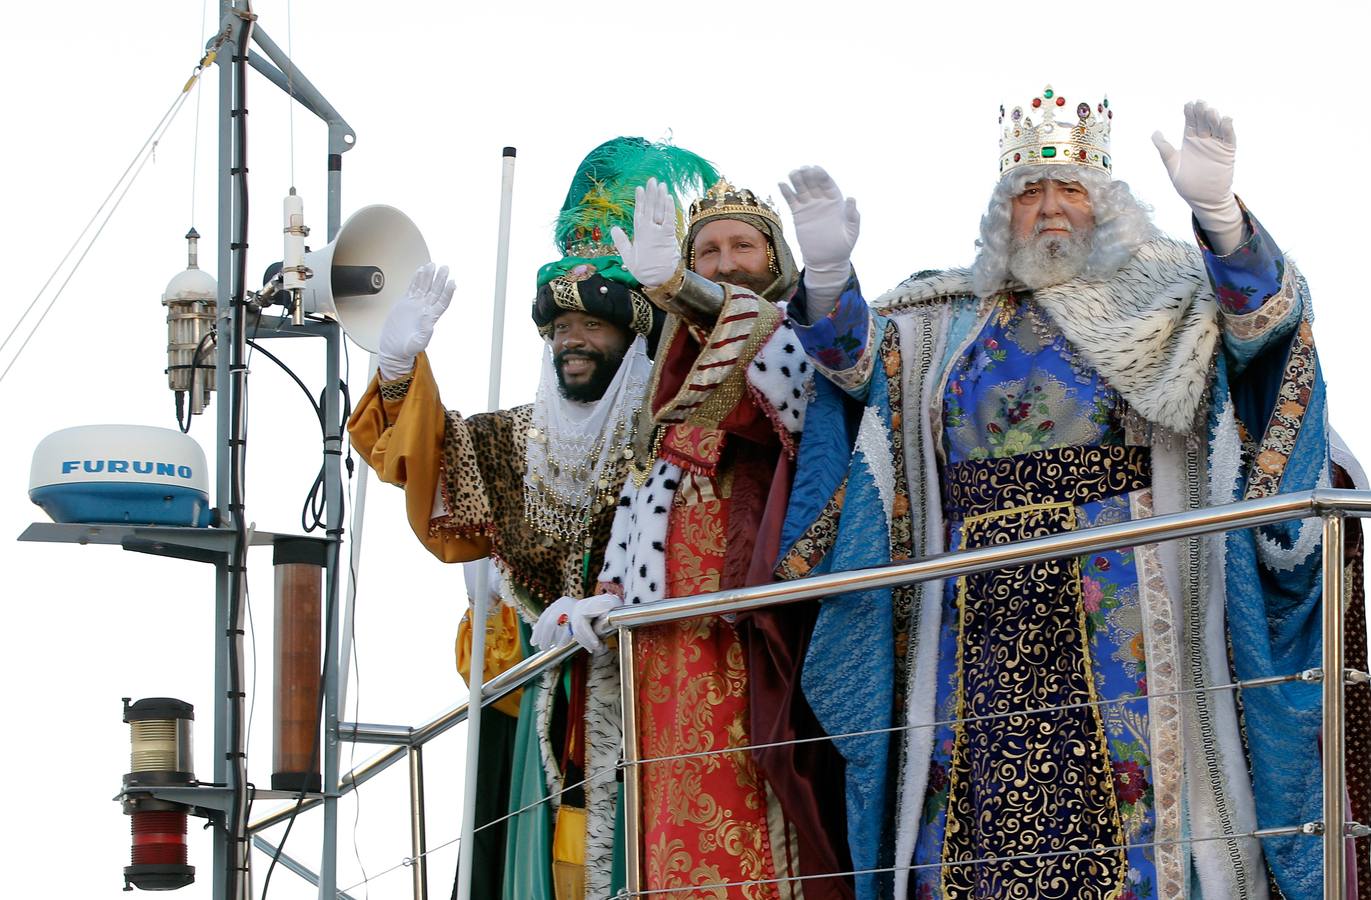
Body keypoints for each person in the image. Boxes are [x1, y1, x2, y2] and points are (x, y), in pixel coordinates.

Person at [777, 90, 1369, 900]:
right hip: (972, 598)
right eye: (1027, 193)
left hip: (1127, 581)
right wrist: (825, 278)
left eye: (1069, 190)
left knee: (1138, 791)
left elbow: (1263, 321)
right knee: (976, 795)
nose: (1049, 209)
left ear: (1107, 204)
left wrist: (1222, 218)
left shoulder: (1170, 293)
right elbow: (854, 367)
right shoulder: (943, 315)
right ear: (999, 215)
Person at [347, 137, 716, 900]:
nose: (569, 341)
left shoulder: (675, 425)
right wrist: (393, 370)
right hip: (545, 702)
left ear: (634, 334)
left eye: (590, 326)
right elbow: (421, 463)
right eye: (557, 329)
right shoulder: (514, 441)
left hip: (657, 688)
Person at [574, 175, 845, 899]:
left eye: (741, 246)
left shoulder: (800, 337)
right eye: (707, 251)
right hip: (665, 634)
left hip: (751, 614)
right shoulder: (665, 375)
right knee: (670, 799)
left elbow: (786, 404)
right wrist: (605, 592)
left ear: (775, 256)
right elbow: (643, 488)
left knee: (758, 781)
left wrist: (681, 289)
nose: (724, 263)